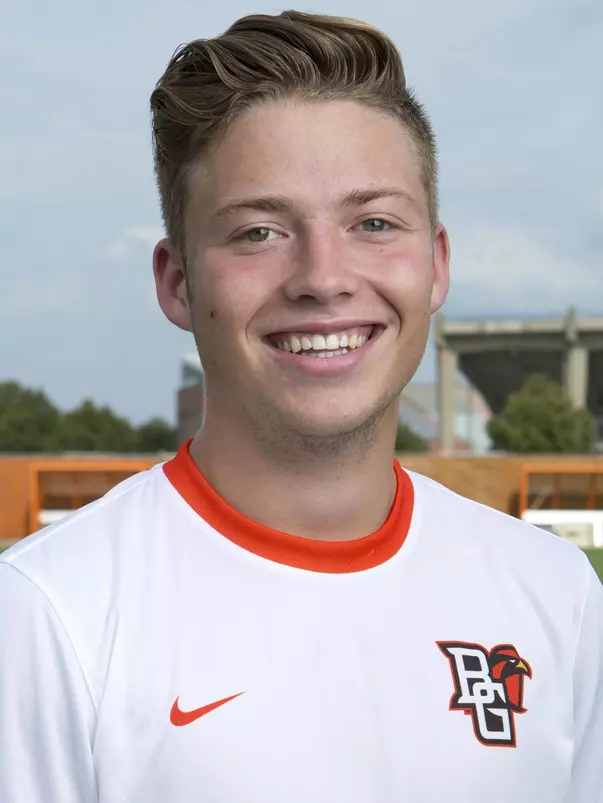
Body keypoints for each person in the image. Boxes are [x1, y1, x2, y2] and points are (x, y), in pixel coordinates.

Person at [0, 10, 601, 803]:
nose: (322, 275)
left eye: (374, 223)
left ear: (435, 263)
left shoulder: (555, 592)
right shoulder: (45, 616)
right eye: (258, 232)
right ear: (177, 282)